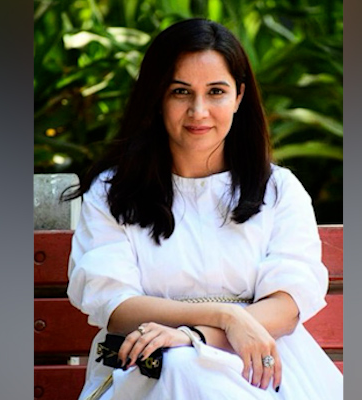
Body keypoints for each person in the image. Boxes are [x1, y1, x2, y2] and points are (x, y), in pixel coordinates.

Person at [62, 18, 343, 400]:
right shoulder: (114, 192)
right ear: (158, 97)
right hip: (149, 368)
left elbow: (287, 304)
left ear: (239, 97)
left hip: (259, 364)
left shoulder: (279, 190)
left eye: (216, 92)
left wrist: (193, 337)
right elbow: (116, 306)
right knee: (181, 367)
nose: (198, 111)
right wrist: (223, 317)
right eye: (181, 92)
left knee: (187, 365)